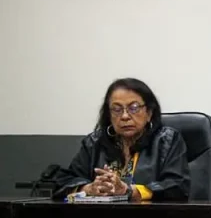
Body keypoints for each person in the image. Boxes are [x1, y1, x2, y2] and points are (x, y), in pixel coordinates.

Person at [54, 78, 190, 201]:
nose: (125, 116)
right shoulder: (94, 143)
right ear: (109, 115)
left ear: (149, 113)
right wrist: (88, 189)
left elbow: (177, 186)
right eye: (117, 109)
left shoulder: (167, 141)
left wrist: (129, 191)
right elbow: (63, 182)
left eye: (134, 108)